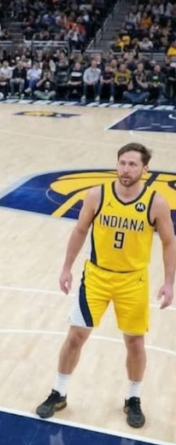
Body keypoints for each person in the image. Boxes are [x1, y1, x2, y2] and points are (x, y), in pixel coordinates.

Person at [36, 143, 175, 428]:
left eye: (133, 164)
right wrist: (66, 267)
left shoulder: (156, 202)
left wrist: (169, 282)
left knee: (135, 342)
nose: (126, 169)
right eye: (122, 163)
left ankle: (133, 399)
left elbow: (169, 242)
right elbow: (79, 230)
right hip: (96, 278)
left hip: (133, 281)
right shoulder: (97, 195)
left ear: (145, 169)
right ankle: (59, 393)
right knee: (75, 336)